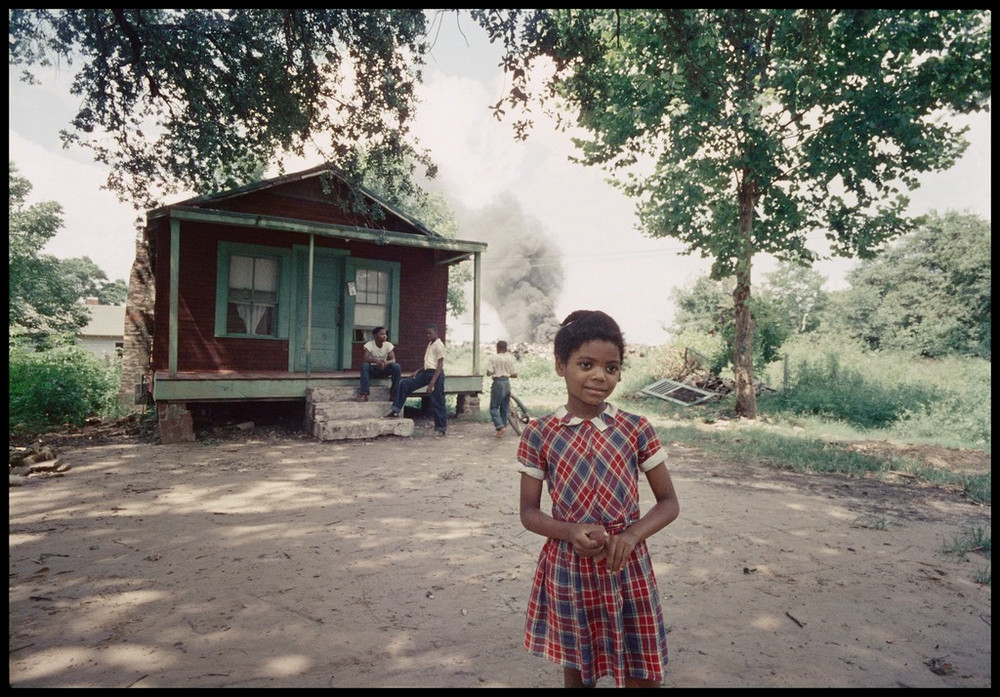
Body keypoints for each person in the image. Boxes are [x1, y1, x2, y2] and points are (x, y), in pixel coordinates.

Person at [516, 310, 680, 688]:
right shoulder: (540, 433)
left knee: (643, 671)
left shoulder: (636, 428)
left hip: (627, 564)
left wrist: (631, 536)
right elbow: (528, 512)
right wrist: (570, 530)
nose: (599, 376)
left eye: (611, 368)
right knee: (579, 670)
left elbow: (668, 502)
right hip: (569, 567)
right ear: (560, 365)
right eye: (586, 364)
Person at [384, 323, 447, 436]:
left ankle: (440, 428)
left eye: (430, 333)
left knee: (438, 401)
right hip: (426, 372)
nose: (427, 335)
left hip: (436, 375)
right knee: (405, 384)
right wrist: (418, 371)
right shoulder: (430, 343)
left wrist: (432, 383)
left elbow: (440, 364)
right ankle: (395, 409)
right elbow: (430, 363)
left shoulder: (439, 345)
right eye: (426, 333)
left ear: (436, 333)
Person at [358, 326, 402, 402]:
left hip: (383, 369)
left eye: (385, 334)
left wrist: (386, 363)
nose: (385, 336)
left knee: (396, 366)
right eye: (382, 334)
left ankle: (394, 394)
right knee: (364, 365)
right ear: (375, 336)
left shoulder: (388, 345)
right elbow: (365, 359)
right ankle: (364, 394)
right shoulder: (370, 344)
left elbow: (393, 359)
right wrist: (376, 361)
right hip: (372, 370)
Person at [487, 340, 519, 438]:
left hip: (498, 383)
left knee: (493, 407)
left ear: (497, 348)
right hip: (507, 383)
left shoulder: (493, 358)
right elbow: (515, 374)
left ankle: (500, 426)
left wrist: (495, 372)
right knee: (504, 408)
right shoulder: (510, 359)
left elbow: (489, 372)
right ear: (506, 349)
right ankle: (503, 426)